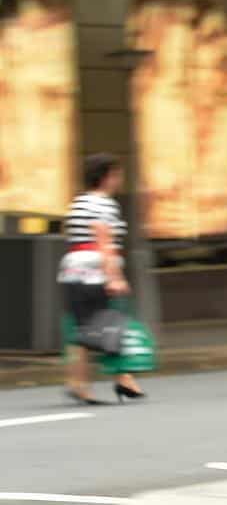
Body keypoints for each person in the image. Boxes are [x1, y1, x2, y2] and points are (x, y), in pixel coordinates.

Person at [57, 153, 146, 404]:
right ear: (106, 177)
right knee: (107, 325)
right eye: (116, 175)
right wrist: (114, 277)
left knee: (86, 327)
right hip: (94, 273)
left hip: (72, 272)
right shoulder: (103, 204)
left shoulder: (78, 202)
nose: (119, 180)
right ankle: (117, 379)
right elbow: (104, 240)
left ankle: (92, 381)